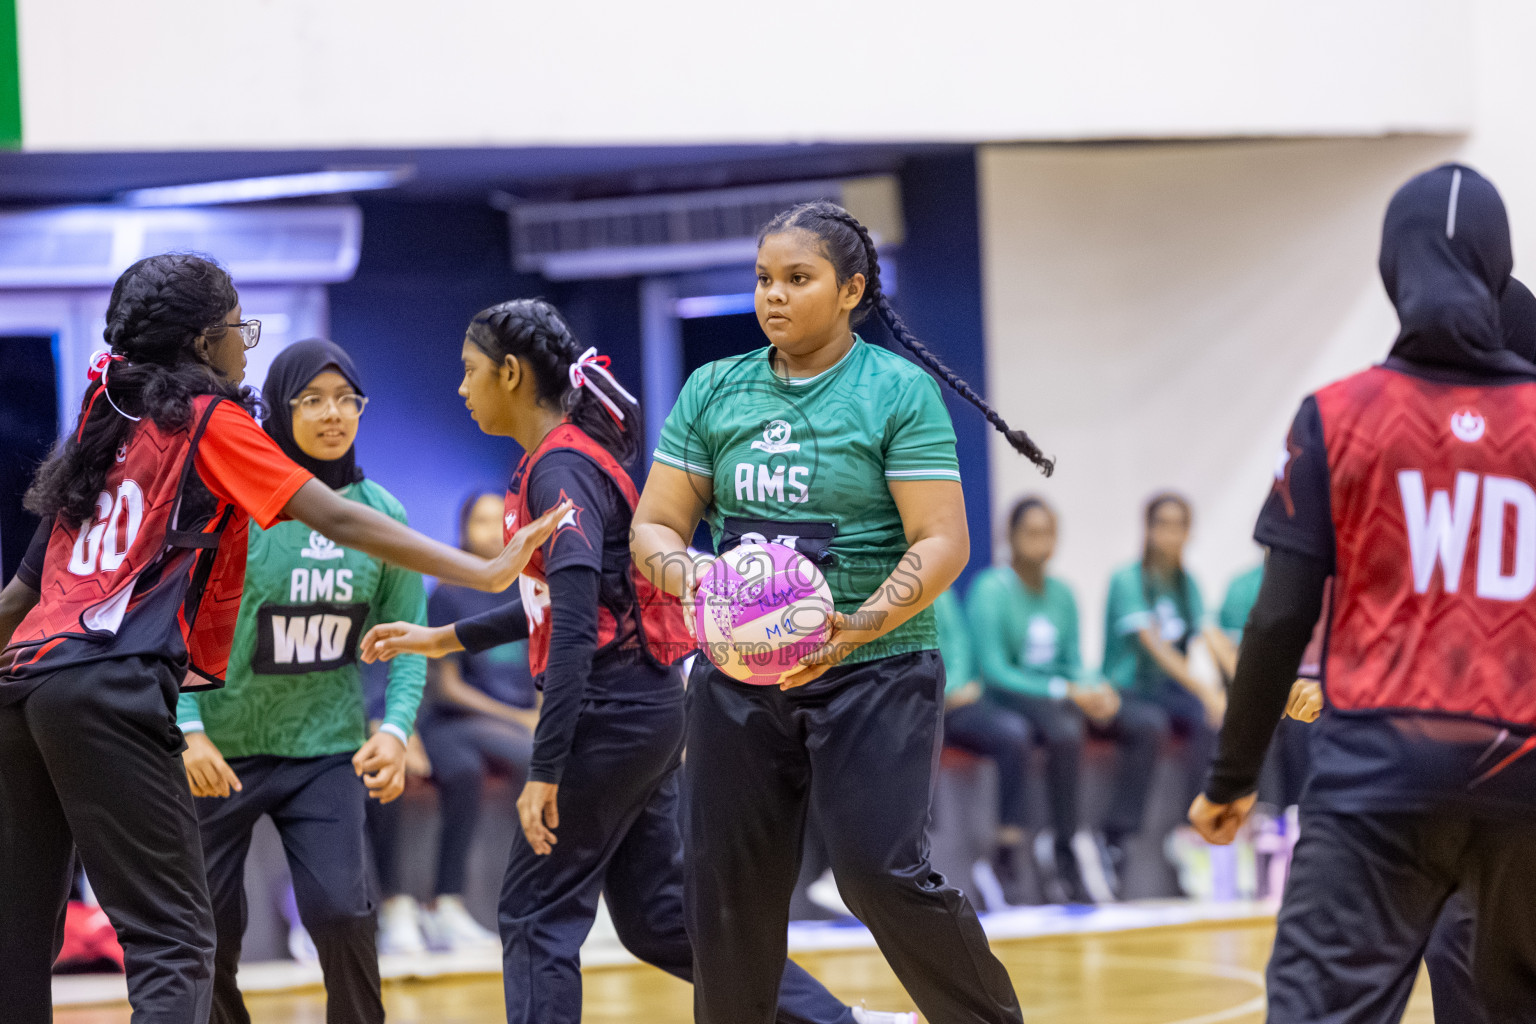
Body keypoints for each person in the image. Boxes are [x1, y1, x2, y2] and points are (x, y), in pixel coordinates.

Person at [0, 254, 564, 1023]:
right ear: (205, 342)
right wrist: (485, 565)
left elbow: (20, 600)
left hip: (27, 686)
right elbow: (331, 514)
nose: (245, 344)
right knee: (177, 941)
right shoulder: (208, 419)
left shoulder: (108, 428)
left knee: (22, 936)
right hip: (113, 684)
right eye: (238, 326)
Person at [359, 299, 905, 1024]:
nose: (461, 389)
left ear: (513, 375)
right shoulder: (566, 461)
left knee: (534, 913)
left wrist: (546, 769)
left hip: (609, 715)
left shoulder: (560, 472)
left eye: (469, 372)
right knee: (660, 918)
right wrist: (443, 640)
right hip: (646, 710)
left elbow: (580, 625)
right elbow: (556, 598)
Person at [631, 200, 1042, 1024]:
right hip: (737, 677)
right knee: (725, 892)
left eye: (796, 278)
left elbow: (940, 542)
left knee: (875, 874)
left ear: (851, 288)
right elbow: (655, 524)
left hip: (873, 669)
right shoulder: (715, 389)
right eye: (762, 279)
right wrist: (698, 579)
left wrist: (857, 624)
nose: (772, 296)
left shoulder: (896, 392)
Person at [1190, 164, 1536, 1024]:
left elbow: (1277, 617)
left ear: (1391, 271)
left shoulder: (1340, 416)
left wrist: (1233, 777)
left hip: (1378, 774)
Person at [175, 339, 431, 1023]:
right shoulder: (230, 508)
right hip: (219, 755)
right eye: (312, 399)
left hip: (325, 750)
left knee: (344, 913)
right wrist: (189, 732)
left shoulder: (383, 515)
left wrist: (397, 730)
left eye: (347, 399)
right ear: (278, 409)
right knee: (208, 934)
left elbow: (412, 641)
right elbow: (173, 624)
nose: (332, 414)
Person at [967, 496, 1157, 903]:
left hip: (1059, 694)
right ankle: (1063, 845)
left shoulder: (1063, 593)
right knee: (1064, 729)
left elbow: (1073, 662)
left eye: (1049, 533)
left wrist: (1096, 686)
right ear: (1011, 537)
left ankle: (1115, 835)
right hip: (1010, 696)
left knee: (1143, 723)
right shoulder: (990, 590)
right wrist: (1065, 691)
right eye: (1032, 533)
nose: (1042, 543)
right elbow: (996, 671)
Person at [387, 490, 539, 954]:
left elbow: (539, 667)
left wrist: (539, 710)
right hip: (453, 721)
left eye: (501, 520)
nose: (493, 531)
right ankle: (425, 909)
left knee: (465, 771)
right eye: (481, 522)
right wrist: (520, 717)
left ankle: (447, 907)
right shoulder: (448, 593)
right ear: (462, 530)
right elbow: (447, 687)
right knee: (540, 755)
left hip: (496, 729)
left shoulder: (528, 589)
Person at [1102, 492, 1233, 896]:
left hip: (1167, 689)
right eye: (1163, 525)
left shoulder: (1186, 581)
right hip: (1127, 688)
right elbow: (1154, 646)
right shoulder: (1129, 579)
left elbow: (1212, 636)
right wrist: (1207, 688)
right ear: (1149, 529)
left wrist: (1245, 691)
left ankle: (1190, 831)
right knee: (1155, 724)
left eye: (1179, 526)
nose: (1171, 534)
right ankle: (1117, 838)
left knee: (1206, 720)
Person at [931, 585, 1037, 906]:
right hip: (911, 702)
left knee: (1014, 734)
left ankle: (1004, 853)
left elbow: (959, 642)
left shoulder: (937, 584)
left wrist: (955, 687)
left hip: (955, 702)